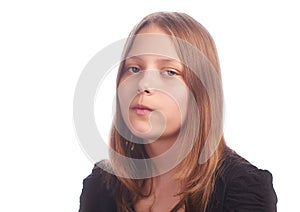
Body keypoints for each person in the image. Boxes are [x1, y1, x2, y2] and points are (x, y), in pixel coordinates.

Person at [79, 12, 277, 211]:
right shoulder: (101, 185)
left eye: (169, 72)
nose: (144, 84)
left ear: (201, 91)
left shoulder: (243, 189)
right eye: (134, 68)